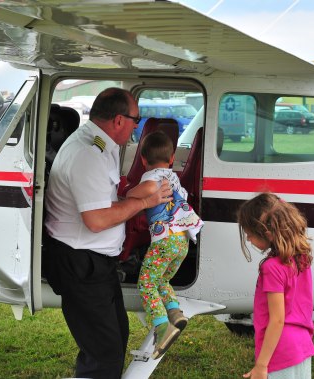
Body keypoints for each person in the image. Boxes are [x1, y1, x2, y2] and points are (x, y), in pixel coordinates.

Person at [43, 88, 173, 379]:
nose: (137, 126)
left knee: (112, 341)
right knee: (103, 355)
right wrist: (144, 202)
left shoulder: (101, 146)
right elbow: (97, 220)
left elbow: (105, 203)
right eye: (135, 120)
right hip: (81, 263)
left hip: (96, 263)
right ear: (118, 120)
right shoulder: (89, 154)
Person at [126, 130, 203, 359]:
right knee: (162, 280)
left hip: (165, 241)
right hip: (182, 241)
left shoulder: (151, 182)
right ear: (171, 159)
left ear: (142, 159)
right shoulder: (173, 178)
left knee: (146, 283)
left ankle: (162, 327)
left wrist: (129, 190)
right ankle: (174, 312)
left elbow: (130, 195)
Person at [237, 193, 314, 379]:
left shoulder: (272, 268)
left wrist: (261, 365)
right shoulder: (301, 257)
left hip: (280, 350)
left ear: (268, 233)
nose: (248, 238)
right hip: (302, 346)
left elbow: (277, 320)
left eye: (249, 232)